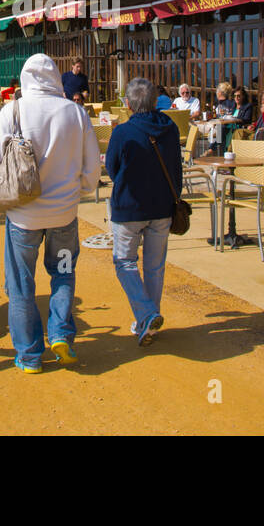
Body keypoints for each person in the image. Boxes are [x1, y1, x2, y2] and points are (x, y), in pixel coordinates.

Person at [0, 54, 100, 373]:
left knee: (21, 282)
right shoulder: (75, 113)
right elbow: (92, 171)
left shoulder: (13, 111)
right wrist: (78, 191)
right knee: (62, 272)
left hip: (24, 218)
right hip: (63, 217)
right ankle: (61, 332)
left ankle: (30, 355)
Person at [104, 77, 178, 346]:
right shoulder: (170, 128)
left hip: (130, 207)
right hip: (162, 206)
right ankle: (149, 323)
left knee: (125, 262)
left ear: (128, 104)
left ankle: (147, 314)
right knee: (154, 267)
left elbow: (112, 169)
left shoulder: (122, 132)